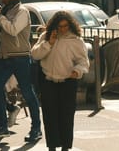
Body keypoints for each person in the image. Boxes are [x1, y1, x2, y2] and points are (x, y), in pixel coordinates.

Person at [0, 0, 42, 143]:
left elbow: (13, 30)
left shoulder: (22, 11)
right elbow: (7, 34)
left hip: (20, 57)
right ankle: (2, 127)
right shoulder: (7, 10)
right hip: (4, 57)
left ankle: (36, 129)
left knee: (27, 93)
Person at [30, 11, 89, 151]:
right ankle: (51, 146)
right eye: (59, 26)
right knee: (49, 115)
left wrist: (77, 71)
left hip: (68, 81)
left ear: (70, 25)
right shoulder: (46, 36)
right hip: (48, 81)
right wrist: (49, 43)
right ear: (54, 25)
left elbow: (83, 61)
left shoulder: (76, 40)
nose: (62, 29)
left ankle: (65, 146)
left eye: (65, 26)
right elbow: (35, 55)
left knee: (66, 115)